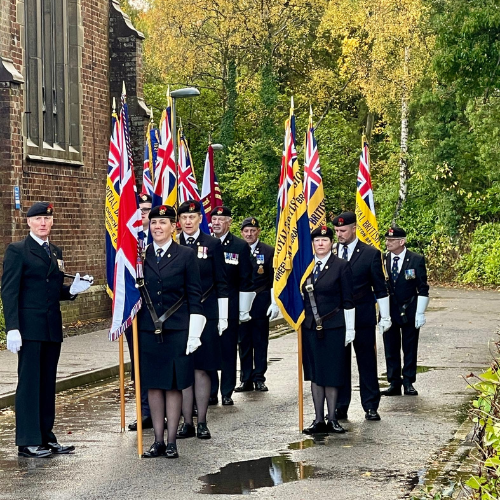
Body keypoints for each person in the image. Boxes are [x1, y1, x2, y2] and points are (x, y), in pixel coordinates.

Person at [1, 202, 93, 458]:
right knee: (29, 384)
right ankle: (27, 441)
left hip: (51, 327)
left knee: (46, 384)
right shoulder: (18, 250)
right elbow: (9, 291)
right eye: (38, 218)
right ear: (28, 222)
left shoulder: (54, 250)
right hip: (28, 329)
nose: (43, 223)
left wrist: (72, 290)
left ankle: (45, 436)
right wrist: (13, 328)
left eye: (47, 219)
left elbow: (52, 290)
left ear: (52, 222)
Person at [137, 204, 205, 458]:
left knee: (174, 385)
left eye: (163, 223)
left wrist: (195, 332)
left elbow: (194, 295)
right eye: (154, 223)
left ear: (173, 227)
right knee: (154, 385)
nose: (157, 227)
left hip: (177, 328)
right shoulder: (140, 256)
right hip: (147, 329)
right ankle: (157, 440)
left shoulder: (186, 255)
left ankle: (173, 441)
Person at [176, 200, 229, 440]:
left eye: (192, 217)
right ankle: (186, 422)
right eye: (184, 218)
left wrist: (223, 315)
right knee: (183, 368)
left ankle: (202, 421)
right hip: (179, 314)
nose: (188, 221)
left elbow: (221, 281)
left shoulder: (212, 244)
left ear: (200, 219)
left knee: (202, 368)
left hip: (206, 312)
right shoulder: (172, 243)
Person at [332, 212, 391, 422]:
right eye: (337, 231)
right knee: (339, 362)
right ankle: (340, 405)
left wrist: (385, 316)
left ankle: (371, 405)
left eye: (343, 230)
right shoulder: (329, 252)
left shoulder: (370, 253)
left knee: (366, 361)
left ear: (354, 228)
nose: (339, 234)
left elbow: (380, 287)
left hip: (362, 315)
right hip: (337, 317)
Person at [301, 226, 355, 435]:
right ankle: (318, 419)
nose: (320, 243)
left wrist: (350, 328)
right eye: (317, 240)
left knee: (332, 374)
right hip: (310, 328)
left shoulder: (341, 266)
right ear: (312, 244)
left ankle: (332, 418)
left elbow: (348, 300)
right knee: (316, 373)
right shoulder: (305, 267)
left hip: (334, 327)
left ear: (331, 243)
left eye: (324, 240)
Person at [209, 206, 255, 406]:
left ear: (229, 222)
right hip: (209, 304)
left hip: (231, 304)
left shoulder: (239, 246)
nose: (217, 222)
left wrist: (244, 309)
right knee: (208, 348)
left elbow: (246, 278)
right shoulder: (206, 244)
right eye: (214, 219)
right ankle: (210, 391)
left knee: (228, 349)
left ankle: (226, 391)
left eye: (221, 219)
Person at [382, 225, 429, 396]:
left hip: (409, 308)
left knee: (409, 346)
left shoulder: (415, 259)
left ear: (402, 242)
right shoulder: (382, 260)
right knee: (390, 347)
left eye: (392, 240)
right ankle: (394, 382)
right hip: (389, 309)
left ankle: (408, 381)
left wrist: (420, 312)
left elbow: (423, 287)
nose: (388, 243)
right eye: (387, 240)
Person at [235, 217, 278, 393]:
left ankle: (259, 377)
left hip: (260, 301)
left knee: (260, 342)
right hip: (241, 302)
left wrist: (274, 302)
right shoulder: (236, 250)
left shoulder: (268, 251)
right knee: (243, 341)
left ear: (258, 231)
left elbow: (274, 279)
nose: (249, 234)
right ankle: (245, 379)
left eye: (253, 231)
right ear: (242, 232)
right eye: (246, 231)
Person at [127, 193, 153, 431]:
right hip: (135, 309)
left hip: (160, 311)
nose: (143, 214)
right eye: (139, 210)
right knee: (139, 363)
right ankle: (145, 411)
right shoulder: (126, 240)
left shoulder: (160, 239)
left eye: (147, 210)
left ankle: (167, 410)